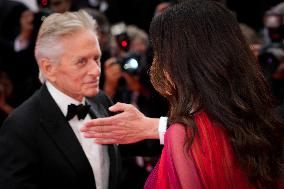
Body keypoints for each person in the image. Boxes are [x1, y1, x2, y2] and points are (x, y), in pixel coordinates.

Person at [82, 1, 284, 188]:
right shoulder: (262, 121)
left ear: (180, 61)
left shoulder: (183, 135)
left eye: (160, 52)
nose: (156, 62)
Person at [0, 10, 120, 189]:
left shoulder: (101, 101)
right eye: (81, 62)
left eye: (96, 58)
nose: (96, 71)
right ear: (48, 68)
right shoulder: (20, 126)